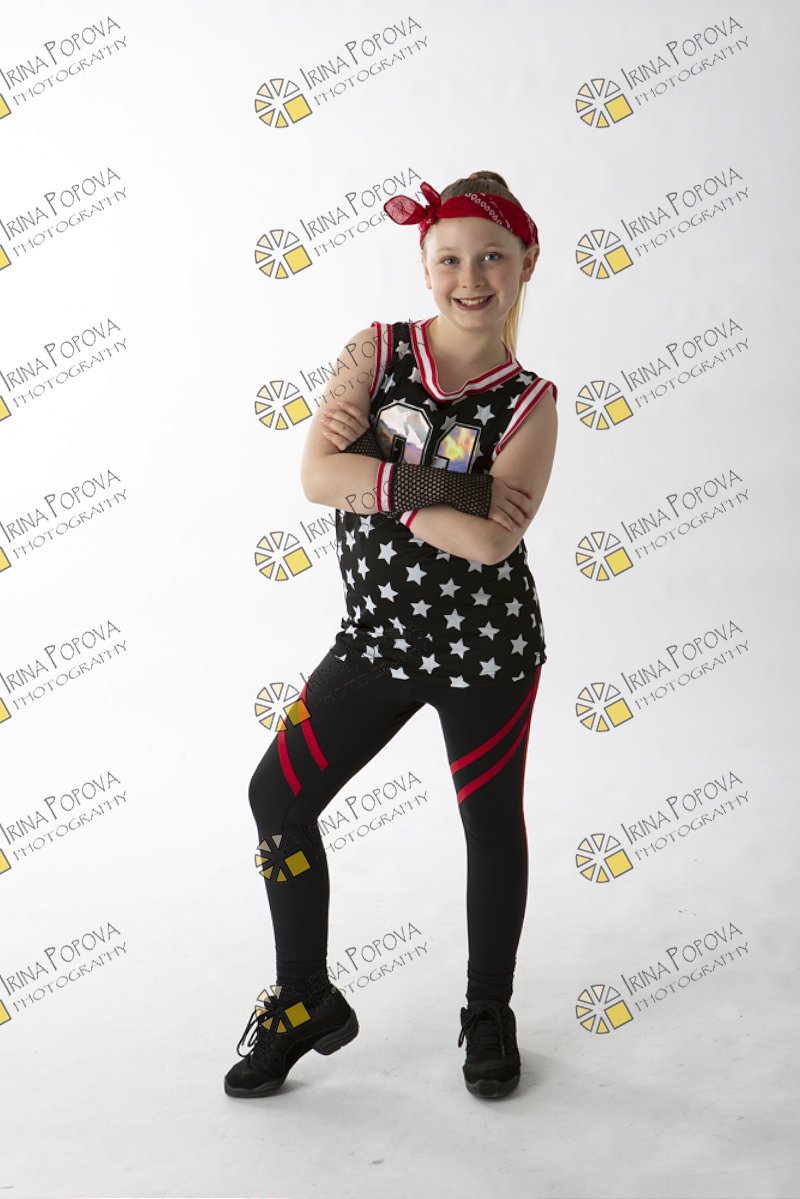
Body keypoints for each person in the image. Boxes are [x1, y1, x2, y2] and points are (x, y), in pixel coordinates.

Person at [224, 171, 559, 1101]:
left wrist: (375, 471)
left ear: (526, 264)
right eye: (449, 258)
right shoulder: (373, 350)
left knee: (489, 825)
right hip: (375, 640)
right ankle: (304, 997)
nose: (470, 278)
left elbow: (490, 541)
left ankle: (487, 1008)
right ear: (424, 262)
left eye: (491, 258)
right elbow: (313, 477)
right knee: (276, 798)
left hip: (488, 651)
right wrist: (444, 487)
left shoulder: (531, 402)